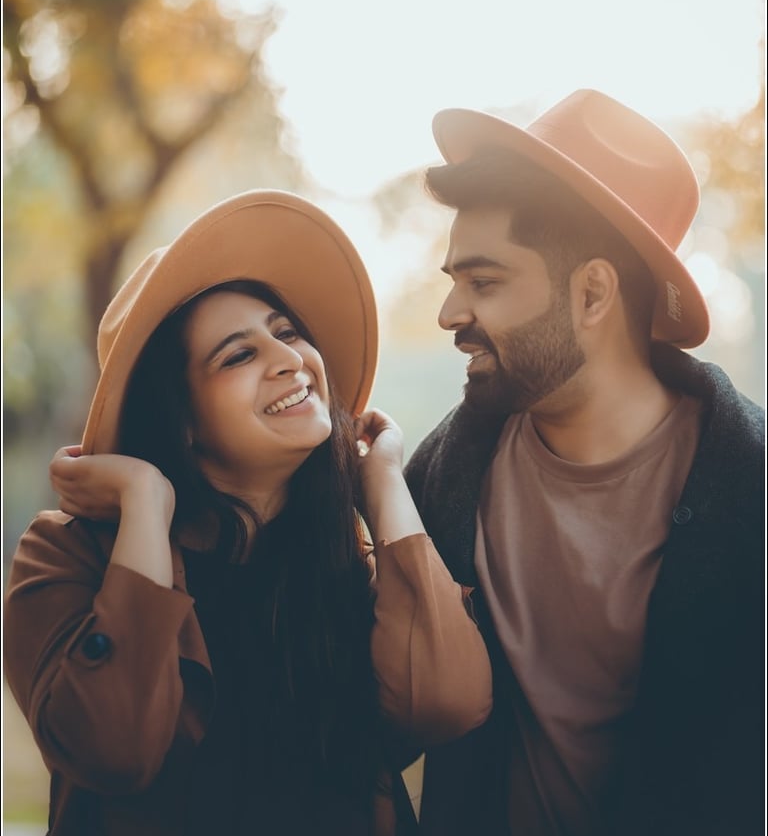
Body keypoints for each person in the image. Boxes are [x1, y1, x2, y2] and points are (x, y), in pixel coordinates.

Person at [4, 189, 492, 836]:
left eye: (286, 331)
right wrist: (146, 503)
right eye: (238, 354)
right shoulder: (65, 555)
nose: (289, 358)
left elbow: (447, 702)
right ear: (181, 425)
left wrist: (382, 483)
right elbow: (116, 748)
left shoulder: (340, 557)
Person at [404, 89, 764, 836]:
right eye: (454, 283)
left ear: (593, 291)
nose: (450, 314)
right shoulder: (442, 474)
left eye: (485, 281)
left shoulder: (752, 487)